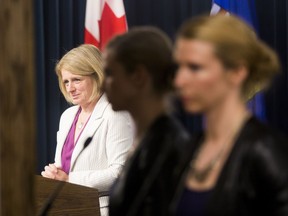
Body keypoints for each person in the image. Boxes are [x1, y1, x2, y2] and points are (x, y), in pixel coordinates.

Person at [171, 14, 288, 215]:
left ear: (237, 72)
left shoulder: (266, 152)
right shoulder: (189, 149)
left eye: (195, 67)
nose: (179, 81)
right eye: (179, 67)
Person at [102, 27, 190, 216]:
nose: (103, 84)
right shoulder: (148, 139)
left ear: (139, 77)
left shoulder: (166, 147)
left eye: (110, 74)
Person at [41, 44, 134, 216]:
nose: (70, 88)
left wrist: (69, 180)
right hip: (66, 208)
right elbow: (66, 165)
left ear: (97, 76)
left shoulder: (116, 113)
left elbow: (121, 172)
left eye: (77, 80)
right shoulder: (67, 116)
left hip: (100, 209)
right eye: (66, 81)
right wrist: (54, 174)